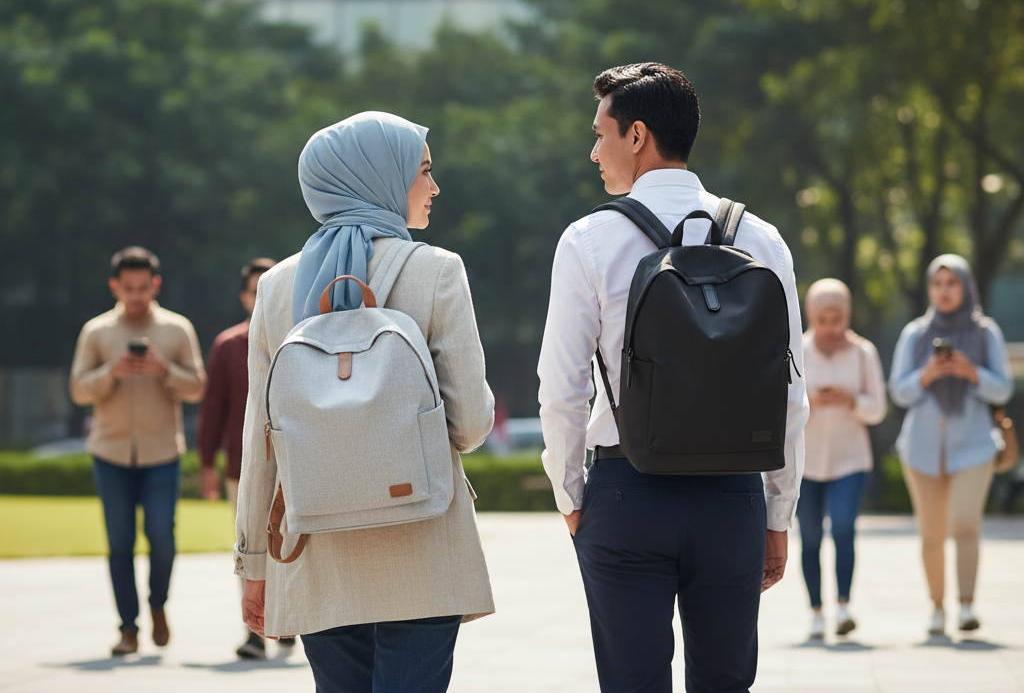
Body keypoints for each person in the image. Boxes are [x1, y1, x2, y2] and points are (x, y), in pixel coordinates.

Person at [537, 63, 808, 693]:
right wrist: (777, 512)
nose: (593, 150)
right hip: (733, 496)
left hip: (627, 490)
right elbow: (791, 392)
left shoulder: (589, 239)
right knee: (724, 681)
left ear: (637, 136)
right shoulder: (762, 238)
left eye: (600, 133)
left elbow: (560, 386)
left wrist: (573, 497)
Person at [233, 111, 495, 693]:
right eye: (423, 172)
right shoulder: (436, 271)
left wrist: (253, 566)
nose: (434, 186)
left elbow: (262, 440)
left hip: (317, 546)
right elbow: (472, 423)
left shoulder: (277, 287)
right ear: (379, 178)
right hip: (421, 542)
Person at [69, 246, 206, 656]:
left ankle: (157, 606)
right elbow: (78, 389)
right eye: (127, 287)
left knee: (162, 538)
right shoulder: (96, 332)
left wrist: (165, 371)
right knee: (120, 544)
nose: (135, 295)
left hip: (162, 452)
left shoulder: (177, 329)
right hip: (110, 453)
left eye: (143, 287)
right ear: (115, 285)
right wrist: (110, 373)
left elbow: (198, 385)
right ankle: (128, 628)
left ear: (155, 285)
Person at [889, 254, 1013, 637]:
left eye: (952, 283)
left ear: (965, 286)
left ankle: (967, 605)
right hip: (922, 449)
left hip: (973, 447)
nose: (944, 291)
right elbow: (898, 391)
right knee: (931, 533)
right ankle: (938, 608)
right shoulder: (915, 333)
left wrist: (971, 372)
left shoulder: (984, 332)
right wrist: (925, 376)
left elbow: (1004, 387)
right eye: (937, 284)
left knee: (964, 524)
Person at [196, 256, 281, 661]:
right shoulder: (229, 345)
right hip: (241, 467)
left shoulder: (298, 336)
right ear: (245, 295)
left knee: (291, 543)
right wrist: (207, 465)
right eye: (254, 289)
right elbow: (213, 409)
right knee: (248, 547)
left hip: (294, 464)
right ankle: (253, 631)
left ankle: (286, 619)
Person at [796, 278, 886, 640]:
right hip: (807, 461)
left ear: (847, 315)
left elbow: (877, 408)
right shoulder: (797, 349)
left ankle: (845, 605)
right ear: (810, 316)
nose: (830, 326)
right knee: (811, 537)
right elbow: (782, 406)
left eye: (837, 318)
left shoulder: (864, 353)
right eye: (822, 318)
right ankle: (816, 610)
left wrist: (852, 401)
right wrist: (811, 403)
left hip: (850, 460)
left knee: (844, 528)